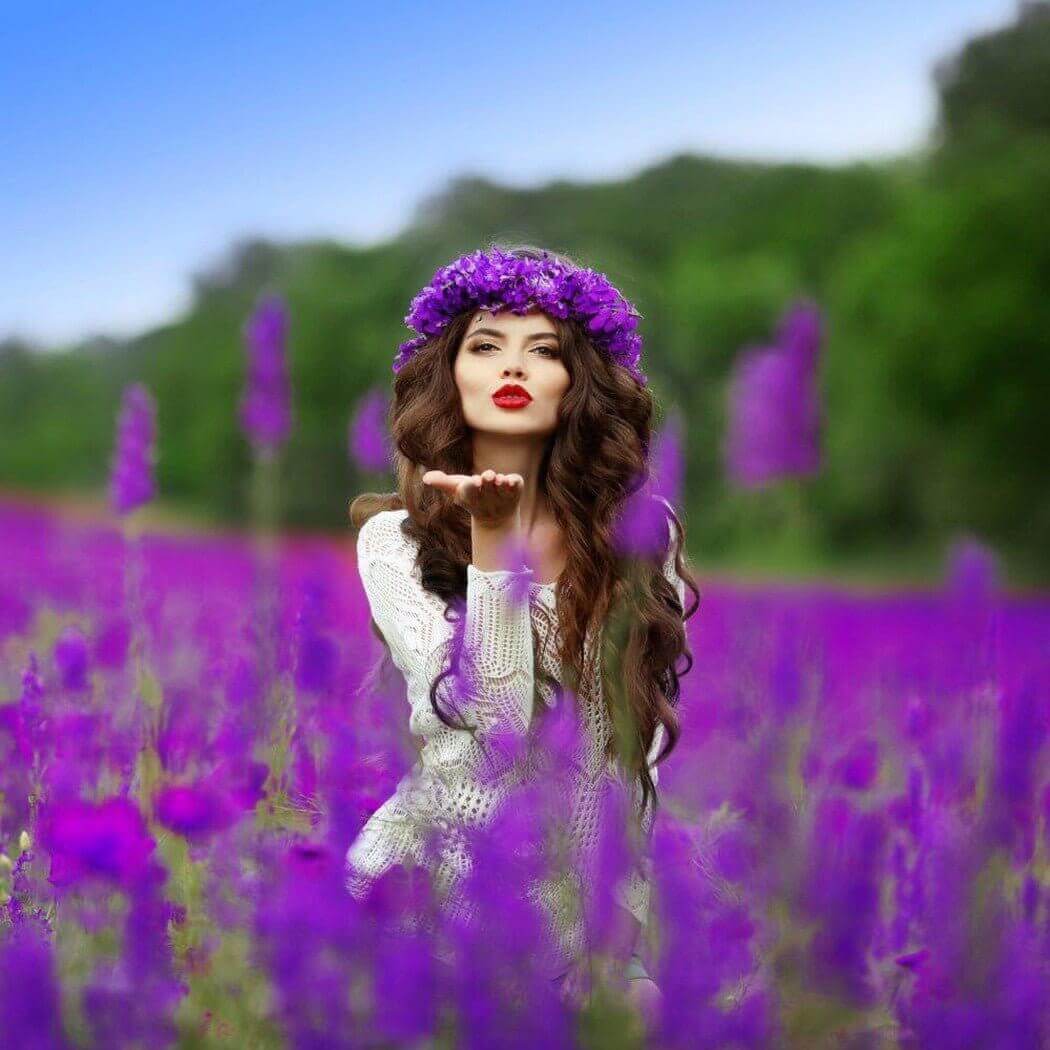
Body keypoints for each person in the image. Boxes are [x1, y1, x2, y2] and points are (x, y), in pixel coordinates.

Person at [345, 243, 700, 1026]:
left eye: (544, 351)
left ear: (579, 383)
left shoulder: (643, 538)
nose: (513, 367)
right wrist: (492, 541)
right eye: (485, 347)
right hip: (428, 899)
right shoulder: (395, 542)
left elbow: (630, 751)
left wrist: (621, 935)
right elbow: (498, 726)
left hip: (576, 917)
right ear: (451, 373)